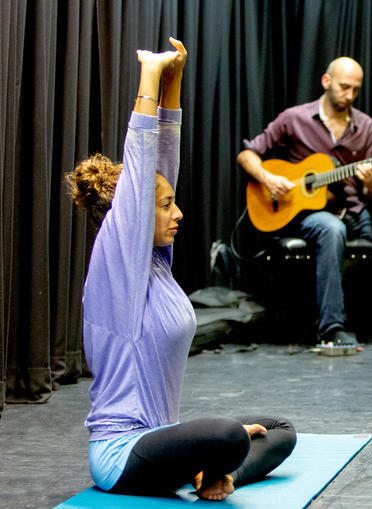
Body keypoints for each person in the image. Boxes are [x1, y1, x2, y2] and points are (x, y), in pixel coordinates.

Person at [66, 38, 296, 502]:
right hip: (122, 454)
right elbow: (142, 161)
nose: (180, 213)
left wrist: (174, 82)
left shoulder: (156, 261)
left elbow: (162, 158)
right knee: (230, 436)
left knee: (281, 430)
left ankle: (209, 471)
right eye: (167, 206)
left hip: (164, 442)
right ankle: (213, 463)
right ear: (130, 218)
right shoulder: (119, 265)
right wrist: (150, 74)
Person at [237, 57, 372, 346]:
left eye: (355, 90)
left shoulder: (367, 128)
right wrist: (267, 178)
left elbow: (371, 195)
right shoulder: (294, 118)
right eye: (344, 87)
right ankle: (331, 329)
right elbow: (247, 154)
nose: (349, 95)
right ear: (326, 82)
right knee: (331, 229)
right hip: (308, 213)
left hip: (356, 210)